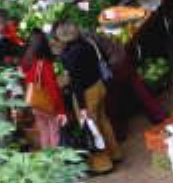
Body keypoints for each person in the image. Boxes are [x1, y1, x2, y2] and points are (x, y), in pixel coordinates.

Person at [53, 20, 121, 174]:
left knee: (92, 128)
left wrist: (82, 107)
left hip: (86, 93)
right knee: (104, 121)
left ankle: (103, 164)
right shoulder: (87, 44)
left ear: (62, 36)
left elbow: (76, 83)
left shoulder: (68, 55)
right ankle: (115, 154)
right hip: (99, 85)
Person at [20, 29, 65, 149]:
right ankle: (56, 161)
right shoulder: (44, 64)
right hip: (48, 104)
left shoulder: (26, 61)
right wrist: (61, 109)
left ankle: (47, 160)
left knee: (44, 132)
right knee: (54, 132)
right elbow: (53, 88)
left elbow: (26, 81)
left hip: (35, 103)